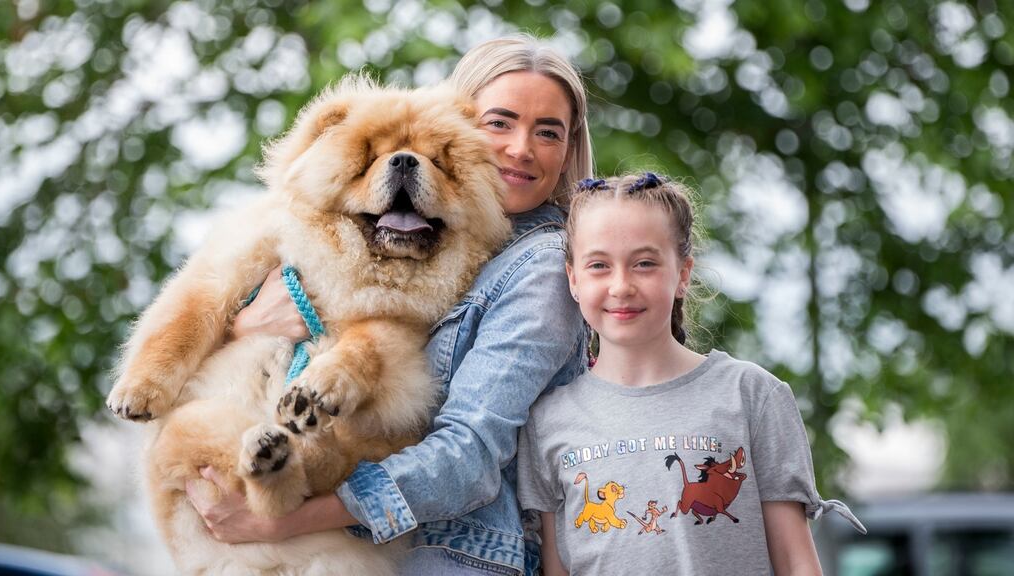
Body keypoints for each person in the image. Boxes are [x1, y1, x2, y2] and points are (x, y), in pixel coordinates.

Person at [186, 34, 593, 575]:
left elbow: (469, 455)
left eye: (548, 132)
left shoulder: (541, 267)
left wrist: (282, 521)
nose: (521, 148)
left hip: (455, 558)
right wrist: (246, 329)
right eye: (500, 123)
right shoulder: (425, 240)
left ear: (568, 153)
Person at [517, 173, 866, 576]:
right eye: (599, 265)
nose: (621, 285)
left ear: (683, 274)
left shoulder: (752, 396)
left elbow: (797, 562)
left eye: (644, 263)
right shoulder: (547, 421)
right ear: (574, 279)